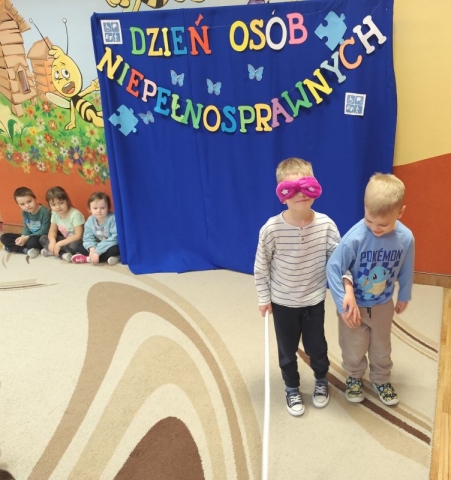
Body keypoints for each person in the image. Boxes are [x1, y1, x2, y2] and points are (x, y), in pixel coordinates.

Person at [254, 158, 340, 416]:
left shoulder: (326, 225)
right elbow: (261, 266)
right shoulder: (271, 229)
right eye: (291, 189)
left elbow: (338, 261)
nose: (300, 193)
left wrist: (344, 289)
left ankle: (321, 379)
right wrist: (263, 297)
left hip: (313, 300)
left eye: (305, 186)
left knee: (317, 346)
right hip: (283, 302)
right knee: (287, 349)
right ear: (282, 196)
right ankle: (292, 386)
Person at [326, 173, 415, 406]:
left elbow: (407, 267)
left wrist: (404, 294)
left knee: (382, 346)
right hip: (354, 306)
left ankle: (381, 379)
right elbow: (333, 267)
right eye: (369, 220)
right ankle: (354, 377)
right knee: (353, 346)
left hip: (383, 304)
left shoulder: (406, 238)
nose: (375, 228)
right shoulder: (355, 237)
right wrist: (342, 302)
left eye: (383, 224)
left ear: (400, 213)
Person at [71, 192, 120, 266]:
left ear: (108, 208)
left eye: (102, 208)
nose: (99, 211)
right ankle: (97, 257)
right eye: (95, 208)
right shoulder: (90, 220)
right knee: (75, 245)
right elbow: (87, 238)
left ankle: (88, 259)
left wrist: (97, 252)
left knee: (116, 248)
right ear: (90, 209)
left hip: (109, 245)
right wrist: (92, 249)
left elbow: (114, 238)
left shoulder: (113, 219)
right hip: (96, 245)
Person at [1, 187, 50, 259]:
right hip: (28, 236)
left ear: (35, 198)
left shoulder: (45, 212)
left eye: (29, 201)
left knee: (32, 242)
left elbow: (44, 231)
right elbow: (26, 227)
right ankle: (26, 250)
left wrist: (27, 237)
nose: (27, 205)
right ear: (19, 205)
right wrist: (22, 236)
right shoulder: (24, 212)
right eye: (22, 204)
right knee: (4, 237)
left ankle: (13, 247)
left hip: (40, 237)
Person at [39, 186, 85, 262]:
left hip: (77, 241)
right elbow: (52, 230)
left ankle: (54, 252)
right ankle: (62, 254)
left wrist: (59, 244)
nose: (58, 207)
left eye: (61, 203)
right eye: (53, 205)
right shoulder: (54, 213)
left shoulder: (75, 214)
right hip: (65, 240)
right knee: (43, 239)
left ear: (67, 201)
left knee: (74, 245)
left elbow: (78, 236)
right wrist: (53, 241)